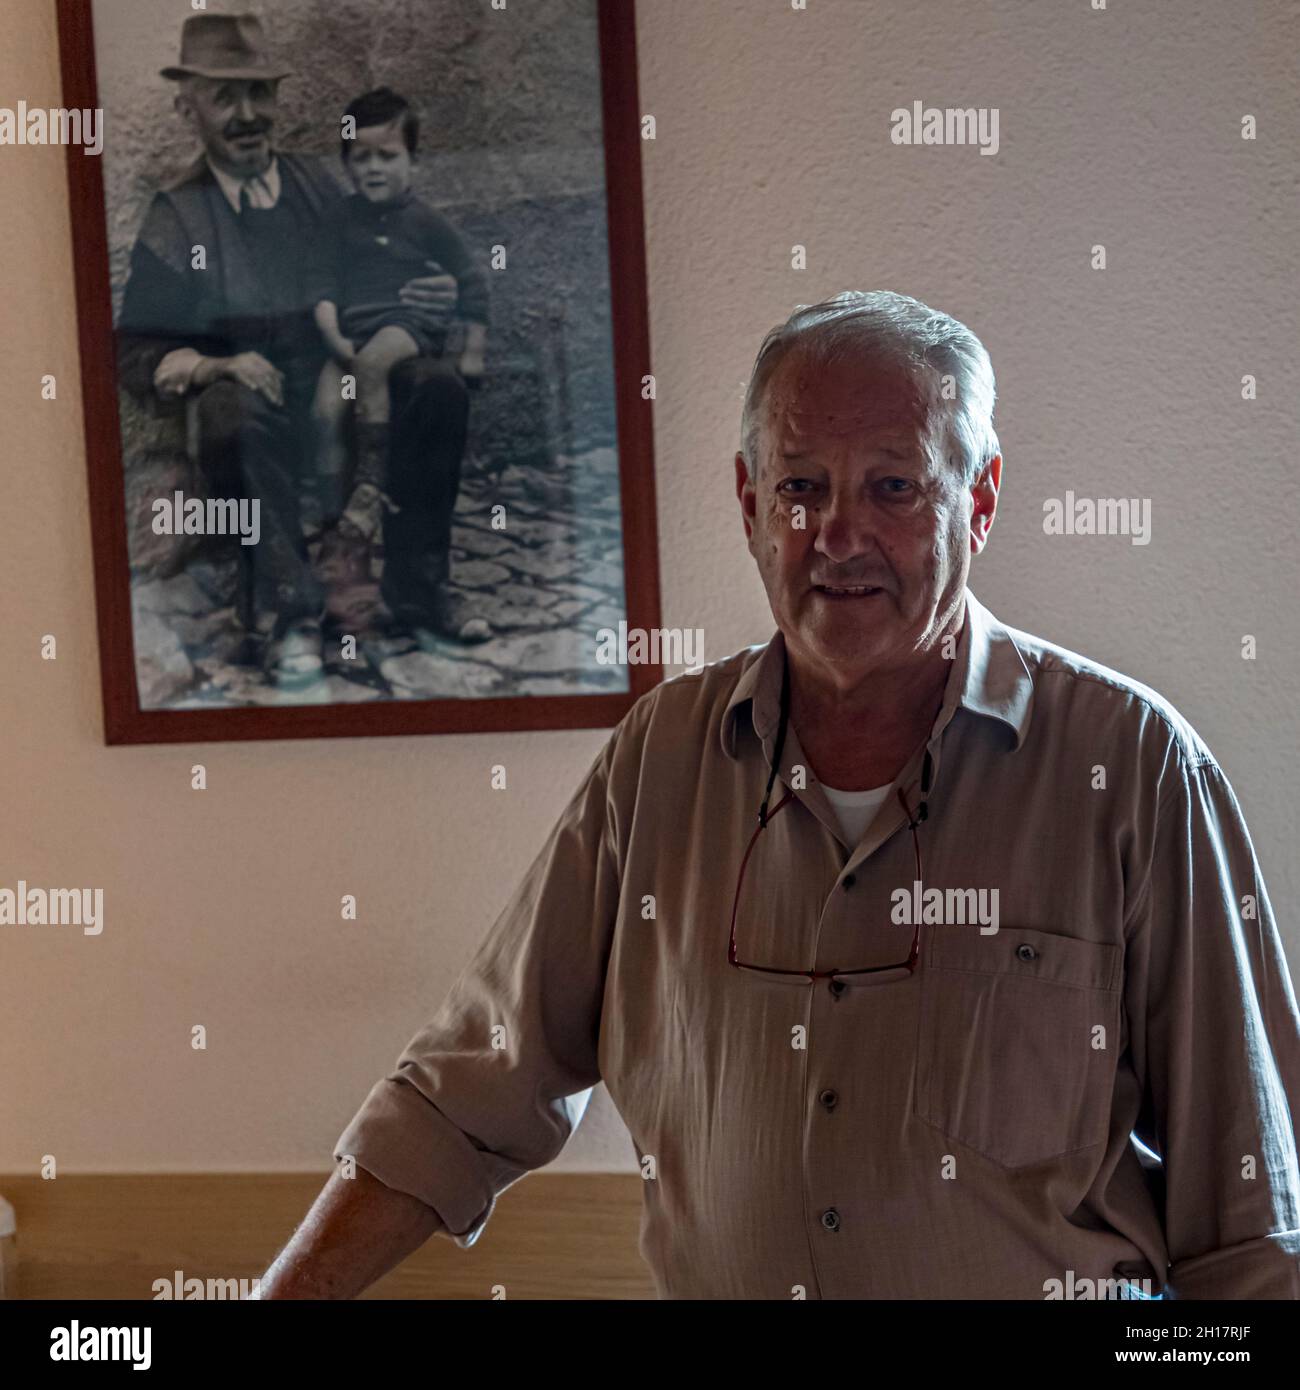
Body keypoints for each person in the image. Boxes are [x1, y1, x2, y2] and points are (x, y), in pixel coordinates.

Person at [256, 290, 1300, 1299]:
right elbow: (458, 1101)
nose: (838, 533)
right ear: (750, 503)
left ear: (977, 501)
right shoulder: (659, 762)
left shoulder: (1131, 768)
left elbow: (1254, 1223)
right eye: (801, 486)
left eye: (893, 487)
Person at [116, 13, 489, 689]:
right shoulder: (178, 217)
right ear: (187, 106)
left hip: (341, 366)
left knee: (437, 387)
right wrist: (211, 365)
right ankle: (286, 608)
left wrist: (430, 294)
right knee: (230, 414)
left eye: (260, 93)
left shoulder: (321, 185)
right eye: (225, 97)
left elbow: (386, 253)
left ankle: (418, 585)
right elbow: (136, 348)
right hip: (251, 383)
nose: (247, 114)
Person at [309, 85, 490, 605]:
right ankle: (335, 518)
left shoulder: (426, 222)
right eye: (360, 157)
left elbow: (471, 281)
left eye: (387, 156)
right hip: (349, 337)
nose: (373, 168)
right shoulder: (338, 221)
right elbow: (321, 287)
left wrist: (472, 347)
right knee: (324, 408)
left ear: (413, 159)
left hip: (403, 328)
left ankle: (371, 486)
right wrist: (333, 336)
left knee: (370, 367)